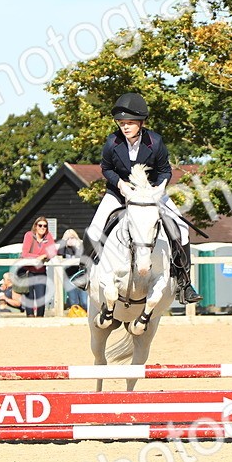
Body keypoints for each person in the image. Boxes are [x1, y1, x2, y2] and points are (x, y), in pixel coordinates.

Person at [78, 92, 201, 304]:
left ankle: (184, 282)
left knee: (181, 228)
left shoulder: (155, 142)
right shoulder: (112, 142)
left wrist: (160, 187)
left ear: (141, 123)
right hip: (119, 193)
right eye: (122, 123)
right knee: (96, 225)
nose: (125, 127)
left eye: (130, 123)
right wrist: (120, 184)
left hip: (150, 193)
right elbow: (106, 169)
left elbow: (164, 170)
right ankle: (84, 271)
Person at [19, 216, 57, 317]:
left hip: (41, 271)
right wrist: (39, 257)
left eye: (45, 226)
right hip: (28, 271)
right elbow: (25, 254)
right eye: (40, 225)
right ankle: (30, 317)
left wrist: (44, 256)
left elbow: (53, 252)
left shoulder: (48, 237)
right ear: (35, 226)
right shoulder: (29, 235)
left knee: (41, 297)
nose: (42, 228)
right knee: (29, 297)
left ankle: (40, 318)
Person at [59, 228, 89, 310]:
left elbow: (82, 258)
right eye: (67, 238)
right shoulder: (64, 248)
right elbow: (59, 255)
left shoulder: (81, 245)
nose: (70, 240)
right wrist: (63, 241)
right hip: (69, 277)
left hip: (81, 276)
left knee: (84, 301)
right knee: (73, 302)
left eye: (72, 238)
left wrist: (76, 246)